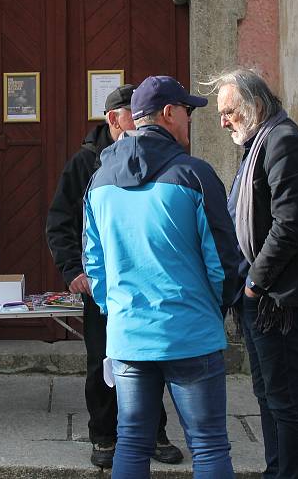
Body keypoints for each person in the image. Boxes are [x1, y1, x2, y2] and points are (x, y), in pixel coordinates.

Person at [83, 76, 241, 478]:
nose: (190, 121)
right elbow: (223, 260)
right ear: (169, 114)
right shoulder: (195, 174)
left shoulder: (98, 181)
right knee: (207, 445)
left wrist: (114, 310)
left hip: (128, 334)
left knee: (132, 440)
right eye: (187, 112)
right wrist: (215, 308)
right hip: (190, 331)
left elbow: (94, 264)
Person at [46, 84, 183, 468]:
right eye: (132, 115)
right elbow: (58, 222)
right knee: (102, 361)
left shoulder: (156, 157)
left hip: (145, 281)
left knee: (149, 358)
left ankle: (154, 433)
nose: (140, 122)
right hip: (102, 284)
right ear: (113, 119)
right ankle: (104, 437)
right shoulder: (84, 163)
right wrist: (73, 270)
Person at [208, 68, 298, 479]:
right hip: (260, 299)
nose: (222, 121)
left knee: (287, 400)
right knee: (268, 394)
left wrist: (254, 285)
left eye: (229, 112)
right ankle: (276, 470)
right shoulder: (261, 142)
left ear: (255, 106)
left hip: (278, 299)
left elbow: (290, 225)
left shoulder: (284, 141)